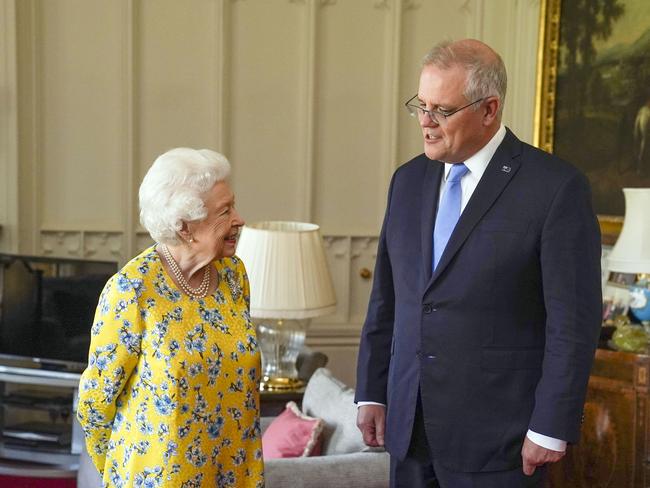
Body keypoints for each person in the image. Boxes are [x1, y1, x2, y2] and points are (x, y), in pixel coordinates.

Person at [355, 39, 602, 488]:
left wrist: (550, 425)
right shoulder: (407, 181)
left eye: (442, 111)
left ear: (489, 110)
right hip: (408, 427)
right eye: (420, 106)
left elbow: (573, 323)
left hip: (500, 438)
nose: (425, 123)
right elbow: (388, 299)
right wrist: (372, 392)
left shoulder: (555, 188)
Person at [77, 148, 264, 487]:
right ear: (184, 227)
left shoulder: (234, 276)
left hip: (232, 474)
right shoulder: (132, 290)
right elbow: (95, 402)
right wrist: (123, 469)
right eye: (225, 211)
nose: (239, 219)